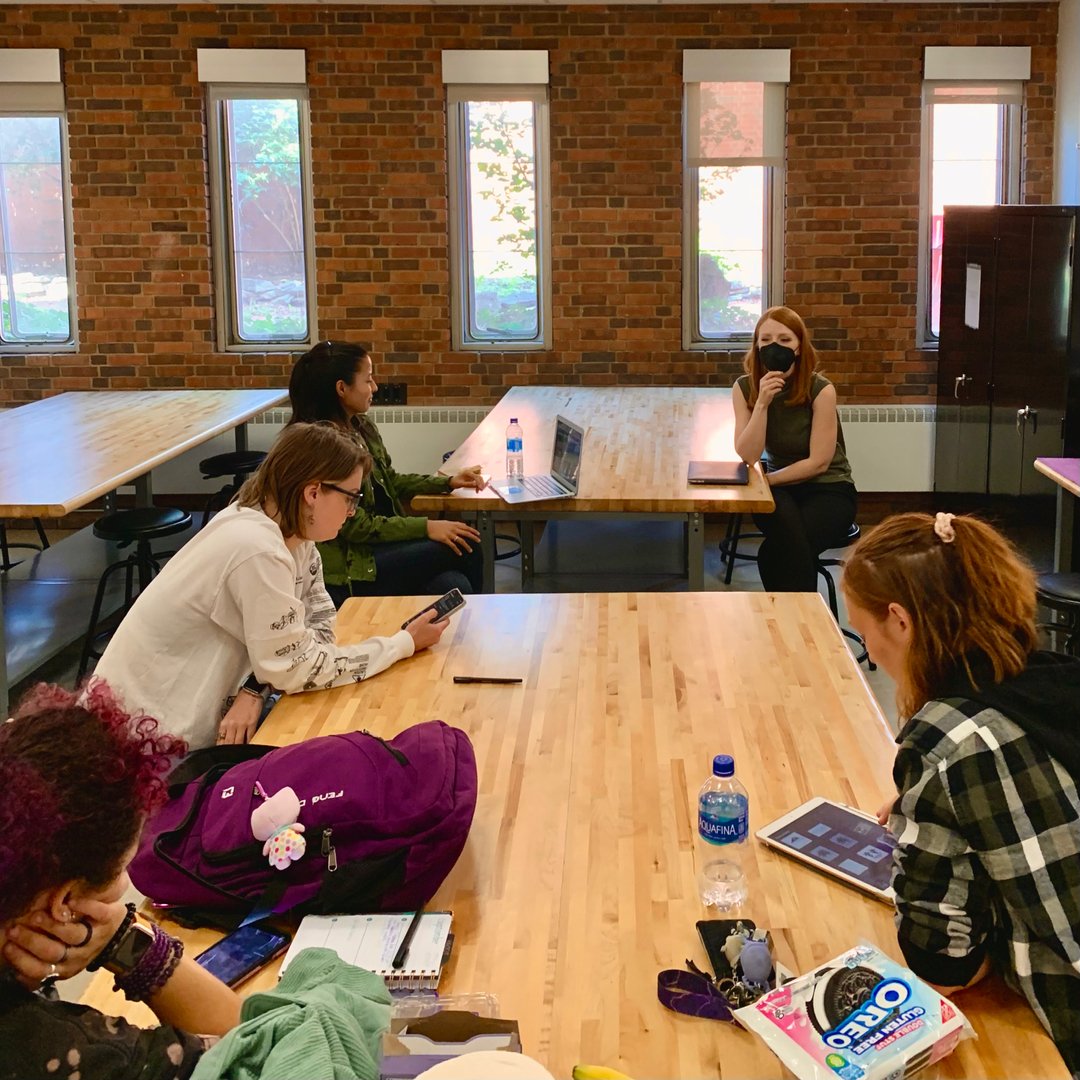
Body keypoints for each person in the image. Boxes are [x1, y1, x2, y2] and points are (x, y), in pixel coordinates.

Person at [842, 511, 1080, 1076]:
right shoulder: (1055, 678)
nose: (871, 653)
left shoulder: (944, 742)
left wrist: (928, 823)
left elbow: (945, 967)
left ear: (899, 621)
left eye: (864, 631)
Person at [94, 422, 447, 751]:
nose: (352, 511)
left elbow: (319, 626)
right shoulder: (256, 548)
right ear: (313, 493)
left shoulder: (293, 534)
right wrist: (402, 643)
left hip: (176, 725)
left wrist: (256, 686)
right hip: (144, 744)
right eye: (350, 498)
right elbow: (300, 666)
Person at [0, 681, 238, 1079]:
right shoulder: (75, 1053)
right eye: (124, 866)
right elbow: (249, 1044)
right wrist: (128, 941)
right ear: (64, 901)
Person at [287, 340, 486, 607]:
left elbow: (390, 480)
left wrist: (447, 482)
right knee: (467, 547)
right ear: (341, 389)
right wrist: (426, 527)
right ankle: (483, 624)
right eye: (368, 380)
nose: (375, 387)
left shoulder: (361, 427)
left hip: (378, 549)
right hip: (354, 565)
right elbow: (356, 527)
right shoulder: (325, 447)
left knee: (452, 584)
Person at [732, 306, 857, 592]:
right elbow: (749, 455)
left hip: (828, 488)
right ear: (756, 345)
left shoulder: (820, 389)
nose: (774, 347)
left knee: (774, 554)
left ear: (799, 346)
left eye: (785, 340)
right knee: (785, 547)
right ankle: (806, 628)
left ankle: (793, 627)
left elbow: (819, 463)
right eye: (765, 340)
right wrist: (762, 403)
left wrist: (766, 482)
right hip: (780, 487)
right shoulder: (744, 388)